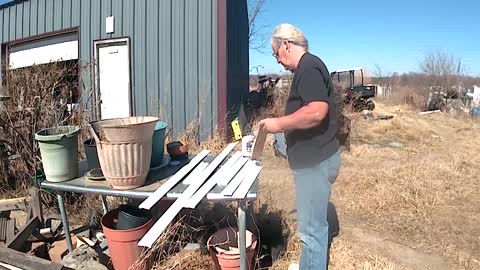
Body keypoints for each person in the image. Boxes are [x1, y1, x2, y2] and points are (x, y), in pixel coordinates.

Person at [258, 23, 341, 270]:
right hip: (313, 160)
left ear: (286, 45)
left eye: (275, 54)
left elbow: (316, 112)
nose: (278, 61)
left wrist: (279, 124)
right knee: (310, 227)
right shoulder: (306, 69)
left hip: (315, 163)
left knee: (312, 231)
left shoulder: (309, 66)